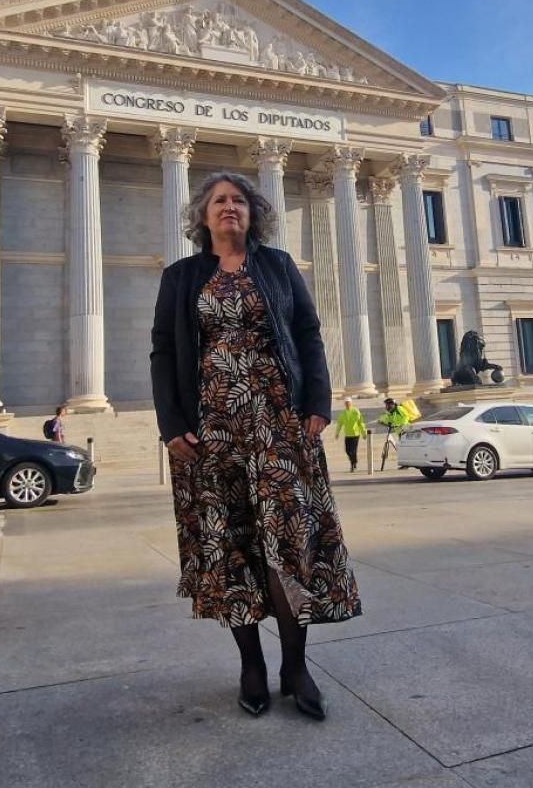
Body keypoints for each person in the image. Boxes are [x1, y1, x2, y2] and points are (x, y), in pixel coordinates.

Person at [150, 170, 361, 721]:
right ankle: (251, 665)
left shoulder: (278, 266)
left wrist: (319, 399)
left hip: (280, 425)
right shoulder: (181, 277)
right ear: (202, 215)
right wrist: (171, 425)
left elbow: (309, 333)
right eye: (219, 201)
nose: (229, 208)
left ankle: (297, 665)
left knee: (289, 544)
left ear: (254, 212)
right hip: (211, 434)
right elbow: (163, 354)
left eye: (239, 201)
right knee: (231, 549)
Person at [335, 398, 369, 472]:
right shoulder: (343, 413)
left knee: (353, 450)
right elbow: (339, 424)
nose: (347, 404)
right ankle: (354, 461)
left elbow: (361, 422)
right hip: (347, 434)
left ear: (351, 403)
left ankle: (353, 464)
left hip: (355, 434)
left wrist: (364, 432)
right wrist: (337, 433)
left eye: (349, 403)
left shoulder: (355, 411)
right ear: (345, 404)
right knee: (347, 450)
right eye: (346, 403)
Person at [378, 397, 411, 470]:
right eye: (386, 405)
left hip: (405, 430)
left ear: (392, 404)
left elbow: (406, 416)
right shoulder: (391, 413)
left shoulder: (399, 408)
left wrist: (401, 425)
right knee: (402, 447)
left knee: (403, 447)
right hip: (399, 431)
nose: (387, 407)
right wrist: (382, 422)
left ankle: (406, 464)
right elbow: (389, 420)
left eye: (388, 405)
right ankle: (405, 463)